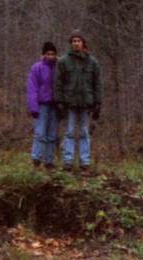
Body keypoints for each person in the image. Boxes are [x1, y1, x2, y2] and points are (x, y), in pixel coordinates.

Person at [53, 30, 102, 173]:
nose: (76, 43)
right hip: (69, 103)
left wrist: (98, 102)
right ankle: (67, 161)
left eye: (78, 41)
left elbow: (97, 83)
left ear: (83, 43)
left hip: (86, 102)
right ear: (71, 43)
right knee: (69, 132)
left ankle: (84, 162)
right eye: (73, 41)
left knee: (84, 133)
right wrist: (59, 101)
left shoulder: (92, 62)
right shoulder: (63, 61)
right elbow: (58, 83)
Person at [26, 41, 58, 170]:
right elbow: (31, 88)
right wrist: (33, 107)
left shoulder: (58, 67)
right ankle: (36, 159)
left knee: (51, 135)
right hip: (42, 105)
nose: (50, 56)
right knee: (39, 133)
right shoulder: (37, 68)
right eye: (48, 54)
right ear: (43, 54)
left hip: (55, 105)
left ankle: (49, 161)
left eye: (53, 54)